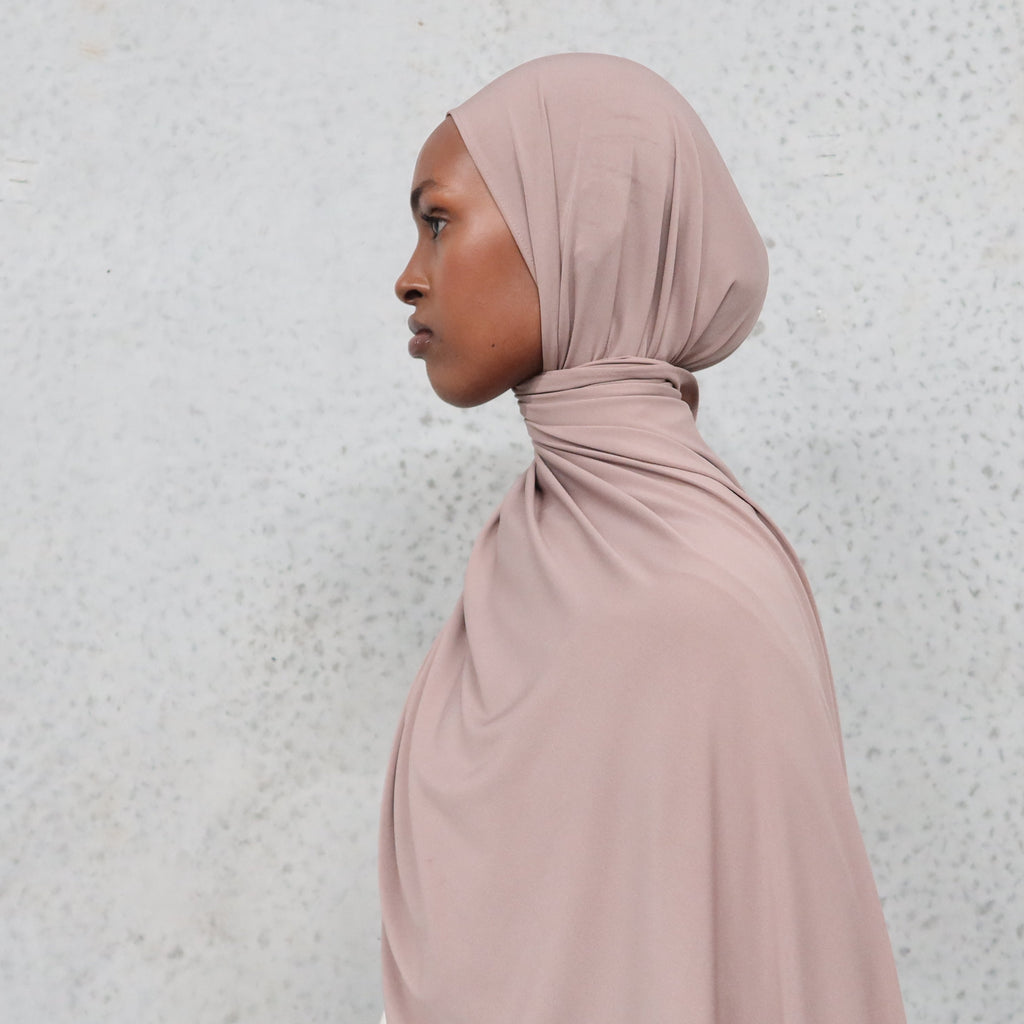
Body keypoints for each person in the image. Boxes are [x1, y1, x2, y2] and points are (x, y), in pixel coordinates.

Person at [380, 53, 906, 1024]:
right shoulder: (528, 554)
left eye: (438, 220)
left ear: (582, 232)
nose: (409, 279)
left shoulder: (699, 596)